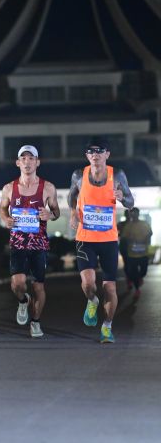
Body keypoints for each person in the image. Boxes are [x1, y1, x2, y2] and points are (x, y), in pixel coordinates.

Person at [68, 136, 134, 343]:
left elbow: (131, 202)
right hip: (85, 238)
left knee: (110, 288)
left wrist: (122, 197)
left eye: (99, 151)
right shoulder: (79, 175)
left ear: (107, 154)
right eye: (91, 151)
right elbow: (72, 195)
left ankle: (107, 326)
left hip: (108, 240)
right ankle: (92, 300)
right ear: (87, 155)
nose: (95, 154)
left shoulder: (117, 175)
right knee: (88, 284)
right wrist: (73, 212)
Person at [0, 145, 60, 337]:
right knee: (17, 284)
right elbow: (2, 208)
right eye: (23, 158)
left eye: (31, 158)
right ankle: (23, 301)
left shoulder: (48, 187)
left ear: (37, 162)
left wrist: (50, 215)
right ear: (18, 163)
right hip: (18, 243)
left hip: (39, 244)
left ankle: (35, 322)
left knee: (38, 286)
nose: (27, 162)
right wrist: (5, 218)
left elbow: (56, 211)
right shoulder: (9, 188)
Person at [123, 207, 152, 299]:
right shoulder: (128, 226)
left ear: (138, 214)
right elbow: (124, 237)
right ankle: (137, 289)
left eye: (135, 213)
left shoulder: (144, 224)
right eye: (132, 213)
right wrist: (130, 240)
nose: (134, 215)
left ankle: (140, 278)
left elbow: (150, 233)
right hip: (132, 254)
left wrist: (146, 239)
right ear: (130, 215)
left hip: (143, 253)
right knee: (134, 272)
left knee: (144, 271)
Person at [117, 209, 131, 287]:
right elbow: (116, 233)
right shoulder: (121, 224)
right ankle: (129, 279)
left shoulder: (133, 224)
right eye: (127, 214)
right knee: (127, 263)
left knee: (132, 263)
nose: (128, 215)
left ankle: (131, 278)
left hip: (132, 246)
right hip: (124, 245)